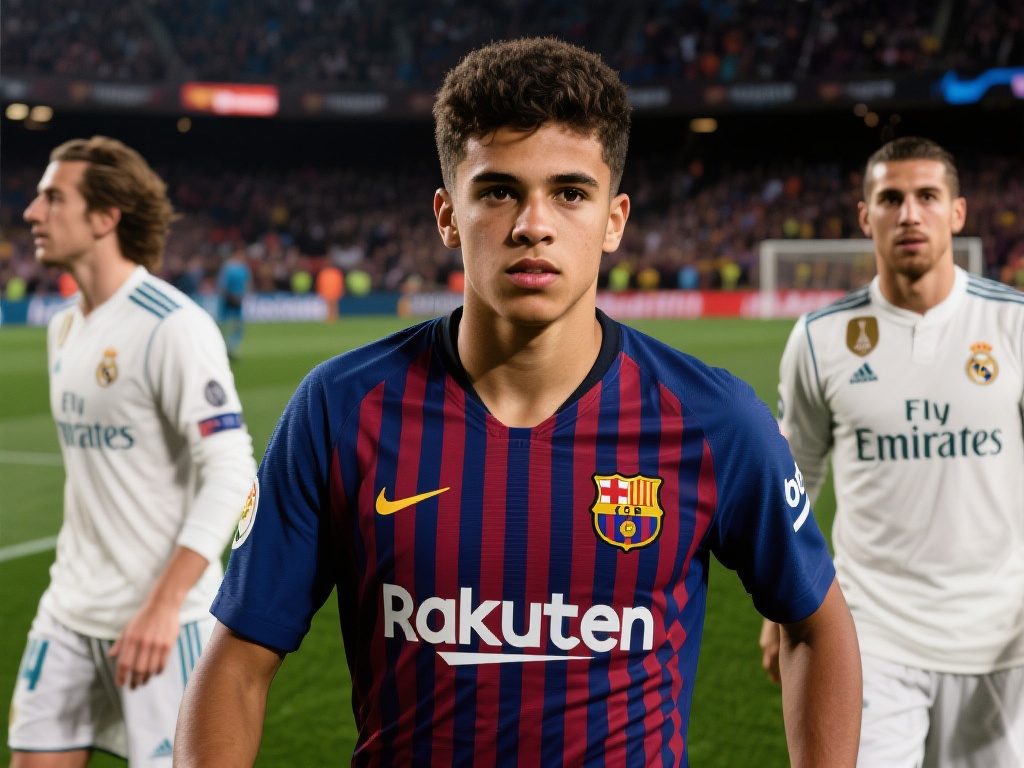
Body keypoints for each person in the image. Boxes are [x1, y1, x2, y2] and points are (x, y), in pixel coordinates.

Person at [175, 37, 861, 767]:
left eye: (570, 193)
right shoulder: (340, 409)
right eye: (499, 190)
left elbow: (817, 626)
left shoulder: (712, 420)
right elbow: (237, 662)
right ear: (447, 214)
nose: (534, 223)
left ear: (615, 220)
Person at [759, 136, 1024, 767]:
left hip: (1002, 636)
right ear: (865, 216)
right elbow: (799, 474)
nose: (909, 214)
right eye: (891, 199)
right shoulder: (820, 338)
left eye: (927, 196)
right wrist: (780, 607)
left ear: (957, 212)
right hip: (869, 634)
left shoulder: (1013, 323)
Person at [9, 136, 257, 767]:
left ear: (105, 217)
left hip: (164, 624)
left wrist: (164, 604)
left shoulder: (172, 325)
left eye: (52, 197)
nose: (32, 212)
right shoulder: (64, 326)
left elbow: (232, 468)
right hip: (68, 612)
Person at [216, 246, 251, 358]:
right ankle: (227, 347)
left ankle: (230, 347)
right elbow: (223, 284)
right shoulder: (233, 267)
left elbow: (246, 284)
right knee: (229, 324)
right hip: (231, 299)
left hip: (233, 299)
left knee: (233, 324)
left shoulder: (238, 268)